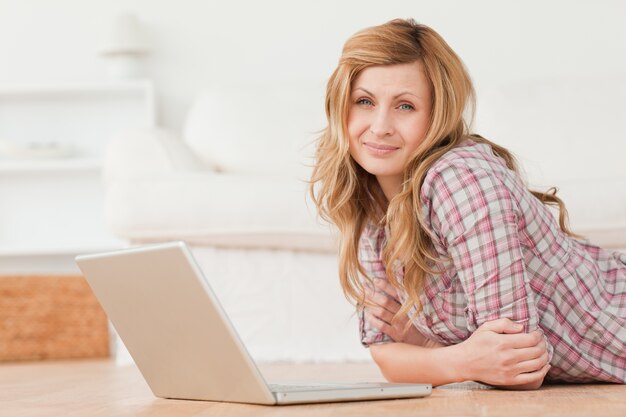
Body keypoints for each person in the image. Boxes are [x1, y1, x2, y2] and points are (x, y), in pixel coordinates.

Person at [309, 18, 626, 390]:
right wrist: (462, 357)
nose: (380, 126)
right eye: (364, 101)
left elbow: (515, 363)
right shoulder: (371, 202)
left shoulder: (460, 178)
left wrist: (429, 349)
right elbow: (387, 356)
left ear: (437, 114)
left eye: (405, 106)